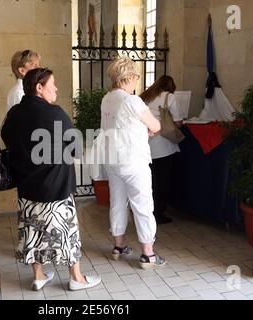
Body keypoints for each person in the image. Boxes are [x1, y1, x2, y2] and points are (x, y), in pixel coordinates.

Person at [1, 67, 101, 291]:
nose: (55, 88)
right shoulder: (54, 113)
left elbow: (8, 140)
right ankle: (76, 277)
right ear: (39, 88)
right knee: (66, 230)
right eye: (52, 84)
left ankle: (38, 275)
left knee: (32, 229)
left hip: (27, 186)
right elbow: (76, 149)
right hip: (56, 186)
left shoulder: (14, 114)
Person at [101, 57, 166, 270]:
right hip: (133, 160)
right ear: (128, 77)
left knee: (117, 201)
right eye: (136, 76)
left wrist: (141, 130)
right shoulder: (132, 100)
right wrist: (148, 128)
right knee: (143, 205)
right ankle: (148, 254)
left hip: (113, 159)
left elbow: (122, 126)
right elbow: (156, 125)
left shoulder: (107, 99)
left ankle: (118, 247)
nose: (137, 80)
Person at [140, 75, 183, 225]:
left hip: (145, 144)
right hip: (163, 145)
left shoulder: (145, 96)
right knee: (163, 181)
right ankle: (158, 213)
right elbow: (178, 122)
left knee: (150, 181)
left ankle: (146, 212)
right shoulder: (169, 97)